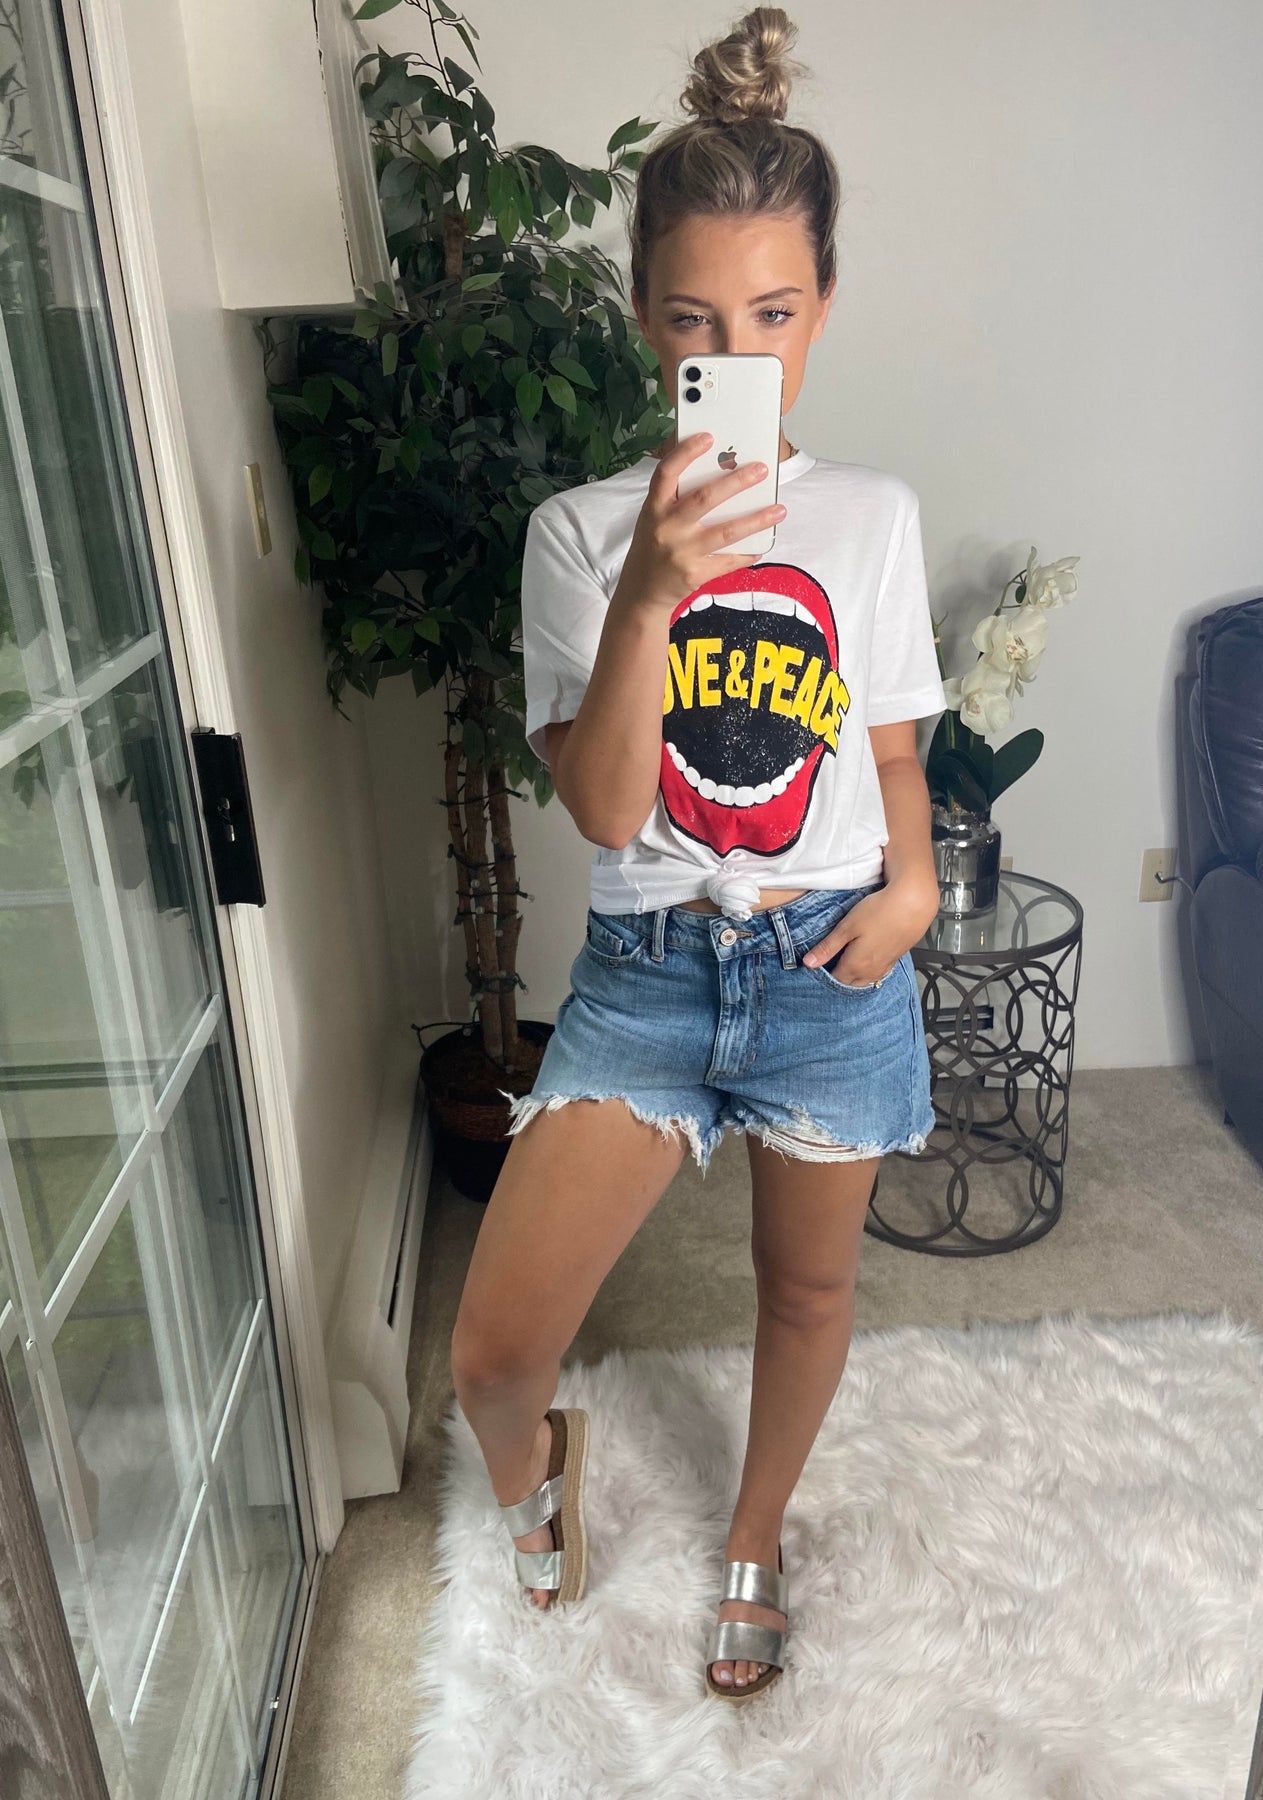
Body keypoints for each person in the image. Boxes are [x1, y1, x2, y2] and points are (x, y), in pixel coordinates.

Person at [450, 5, 944, 1703]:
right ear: (644, 322)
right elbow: (603, 809)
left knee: (805, 1297)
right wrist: (654, 587)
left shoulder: (874, 518)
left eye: (776, 314)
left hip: (828, 964)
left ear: (823, 309)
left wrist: (914, 885)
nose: (743, 348)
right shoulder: (579, 537)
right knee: (493, 1353)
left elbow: (891, 746)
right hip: (651, 977)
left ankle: (753, 1532)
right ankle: (540, 1476)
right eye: (697, 321)